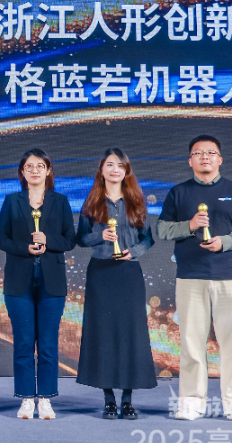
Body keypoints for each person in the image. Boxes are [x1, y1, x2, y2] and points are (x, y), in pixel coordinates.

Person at [157, 135, 232, 423]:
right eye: (198, 153)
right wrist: (190, 225)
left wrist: (225, 242)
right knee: (191, 343)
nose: (205, 157)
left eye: (211, 152)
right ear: (189, 160)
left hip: (231, 276)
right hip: (190, 276)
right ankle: (191, 403)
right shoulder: (179, 193)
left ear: (220, 159)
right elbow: (163, 230)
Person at [75, 148, 157, 420]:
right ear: (101, 169)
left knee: (130, 334)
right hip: (101, 274)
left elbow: (148, 238)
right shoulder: (91, 202)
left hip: (128, 273)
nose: (114, 170)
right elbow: (80, 239)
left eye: (120, 166)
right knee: (104, 334)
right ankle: (109, 399)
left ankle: (128, 399)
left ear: (126, 171)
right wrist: (100, 235)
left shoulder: (136, 201)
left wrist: (134, 252)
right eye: (109, 165)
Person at [0, 149, 76, 420]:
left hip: (52, 282)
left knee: (49, 344)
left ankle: (46, 399)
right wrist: (25, 248)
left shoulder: (60, 201)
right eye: (29, 166)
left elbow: (70, 239)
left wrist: (48, 241)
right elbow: (0, 239)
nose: (35, 170)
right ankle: (27, 398)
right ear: (22, 172)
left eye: (40, 166)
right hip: (19, 282)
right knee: (24, 343)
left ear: (48, 170)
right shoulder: (12, 201)